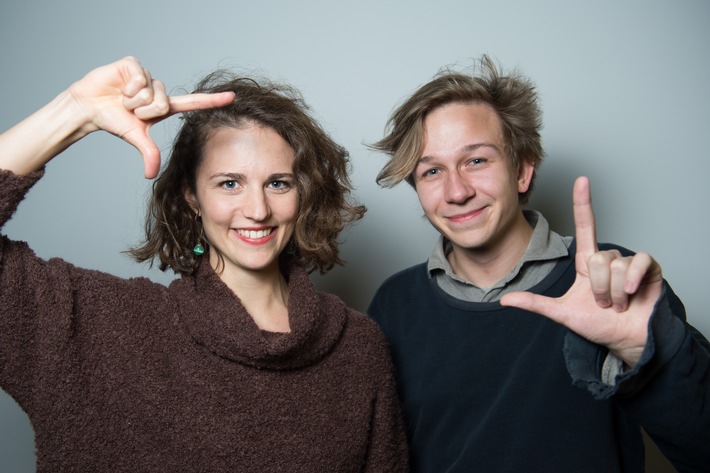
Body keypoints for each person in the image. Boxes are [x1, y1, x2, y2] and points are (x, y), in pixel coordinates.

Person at [0, 56, 408, 472]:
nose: (257, 209)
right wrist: (75, 110)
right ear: (191, 197)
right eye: (230, 183)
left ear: (303, 195)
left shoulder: (358, 348)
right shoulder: (102, 326)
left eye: (278, 183)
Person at [367, 55, 709, 472]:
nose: (456, 191)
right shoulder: (394, 305)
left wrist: (654, 355)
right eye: (432, 171)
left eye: (476, 160)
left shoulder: (611, 281)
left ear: (522, 171)